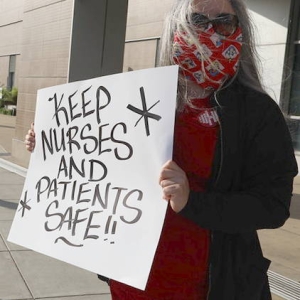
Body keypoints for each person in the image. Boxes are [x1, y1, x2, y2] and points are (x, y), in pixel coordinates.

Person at [25, 0, 298, 299]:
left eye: (224, 22)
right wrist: (56, 144)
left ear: (240, 31)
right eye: (197, 20)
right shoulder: (139, 95)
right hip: (131, 279)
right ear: (176, 28)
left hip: (209, 285)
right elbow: (104, 161)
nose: (211, 32)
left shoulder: (257, 111)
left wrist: (192, 202)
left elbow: (272, 206)